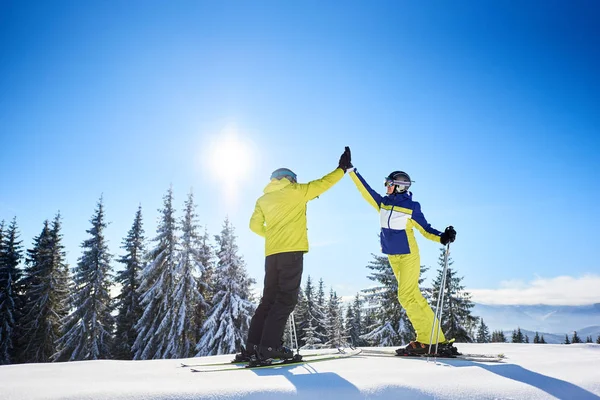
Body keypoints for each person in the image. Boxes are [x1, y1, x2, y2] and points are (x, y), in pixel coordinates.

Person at [237, 147, 352, 363]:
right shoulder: (297, 191)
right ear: (290, 179)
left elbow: (253, 225)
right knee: (285, 299)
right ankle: (270, 347)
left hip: (271, 255)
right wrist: (341, 169)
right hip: (291, 252)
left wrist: (272, 235)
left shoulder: (263, 199)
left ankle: (253, 346)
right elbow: (324, 183)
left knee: (268, 299)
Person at [347, 158, 457, 356]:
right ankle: (435, 339)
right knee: (413, 296)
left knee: (406, 296)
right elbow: (365, 191)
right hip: (393, 257)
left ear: (399, 186)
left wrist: (442, 237)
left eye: (389, 184)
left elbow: (425, 229)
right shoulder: (383, 203)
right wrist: (351, 171)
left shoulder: (411, 207)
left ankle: (427, 339)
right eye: (386, 184)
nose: (386, 187)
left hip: (408, 255)